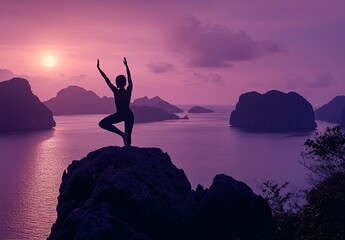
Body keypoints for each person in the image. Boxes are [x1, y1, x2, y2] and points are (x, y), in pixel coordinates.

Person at [97, 57, 134, 146]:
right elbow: (129, 78)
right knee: (128, 137)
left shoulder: (116, 91)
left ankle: (122, 135)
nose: (116, 82)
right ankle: (124, 138)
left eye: (117, 81)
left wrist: (99, 68)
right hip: (128, 115)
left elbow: (106, 79)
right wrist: (126, 66)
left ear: (118, 82)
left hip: (121, 115)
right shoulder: (128, 90)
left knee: (103, 123)